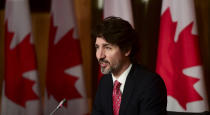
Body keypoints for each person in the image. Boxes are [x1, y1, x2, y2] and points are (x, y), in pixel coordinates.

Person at [91, 16, 167, 115]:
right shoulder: (105, 82)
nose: (99, 55)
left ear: (126, 49)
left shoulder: (150, 84)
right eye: (97, 47)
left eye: (107, 48)